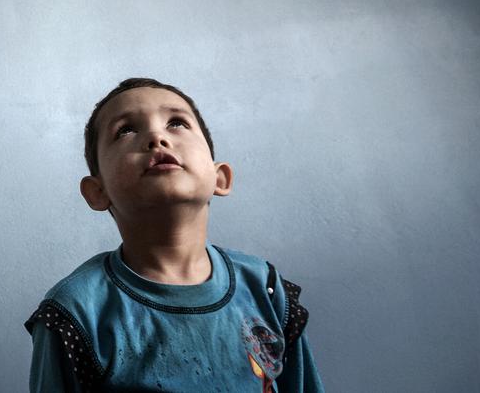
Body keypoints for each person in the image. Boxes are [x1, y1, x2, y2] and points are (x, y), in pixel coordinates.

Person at [25, 78, 324, 392]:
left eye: (177, 123)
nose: (157, 137)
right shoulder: (76, 311)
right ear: (97, 192)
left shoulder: (265, 287)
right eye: (126, 130)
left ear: (220, 177)